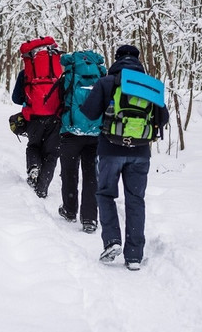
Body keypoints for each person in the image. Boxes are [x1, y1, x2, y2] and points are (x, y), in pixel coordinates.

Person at [80, 44, 169, 271]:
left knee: (105, 194)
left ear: (116, 59)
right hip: (140, 152)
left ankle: (112, 241)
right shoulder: (149, 85)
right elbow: (164, 118)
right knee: (135, 200)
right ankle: (134, 256)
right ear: (139, 61)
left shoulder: (107, 82)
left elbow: (89, 112)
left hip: (110, 149)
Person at [55, 51, 106, 233]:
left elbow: (58, 101)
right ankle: (90, 218)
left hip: (70, 133)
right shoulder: (101, 77)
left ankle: (69, 210)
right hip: (95, 134)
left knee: (69, 172)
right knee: (91, 176)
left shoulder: (68, 76)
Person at [11, 38, 62, 198]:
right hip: (55, 117)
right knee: (52, 154)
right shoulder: (59, 70)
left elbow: (16, 99)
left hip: (33, 118)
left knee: (33, 146)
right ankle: (42, 187)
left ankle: (33, 166)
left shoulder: (26, 73)